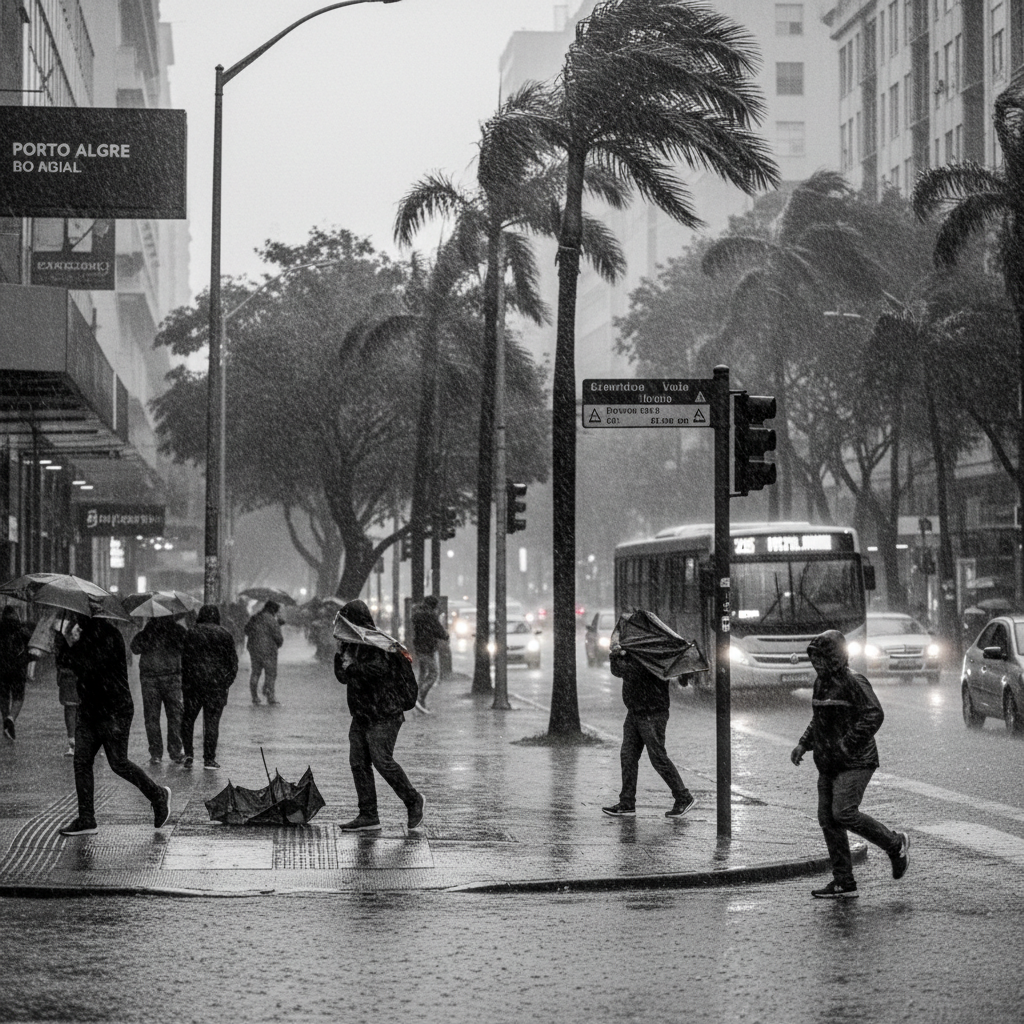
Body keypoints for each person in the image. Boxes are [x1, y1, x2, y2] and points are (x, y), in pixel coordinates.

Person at [791, 629, 910, 899]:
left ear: (834, 657)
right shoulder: (820, 683)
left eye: (821, 658)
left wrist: (847, 744)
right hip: (828, 762)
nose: (816, 663)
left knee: (843, 812)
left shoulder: (854, 681)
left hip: (856, 761)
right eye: (813, 658)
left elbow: (874, 714)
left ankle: (895, 844)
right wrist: (804, 743)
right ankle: (844, 882)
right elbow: (820, 719)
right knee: (827, 819)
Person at [54, 614, 170, 836]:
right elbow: (70, 665)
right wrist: (66, 644)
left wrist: (68, 645)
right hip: (91, 709)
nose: (75, 618)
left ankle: (158, 795)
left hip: (113, 709)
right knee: (82, 762)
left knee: (118, 763)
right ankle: (86, 818)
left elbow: (84, 665)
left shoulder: (105, 635)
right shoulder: (89, 636)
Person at [333, 599, 425, 833]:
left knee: (382, 760)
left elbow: (378, 670)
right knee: (358, 763)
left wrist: (352, 667)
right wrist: (340, 658)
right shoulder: (349, 645)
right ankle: (368, 815)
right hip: (362, 713)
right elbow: (343, 678)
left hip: (385, 712)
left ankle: (413, 800)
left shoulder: (376, 642)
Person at [602, 640, 695, 819]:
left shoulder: (653, 653)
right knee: (628, 756)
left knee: (658, 758)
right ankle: (627, 803)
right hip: (635, 712)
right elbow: (619, 671)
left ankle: (683, 797)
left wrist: (617, 655)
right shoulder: (636, 649)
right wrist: (618, 654)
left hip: (652, 713)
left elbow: (628, 671)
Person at [180, 604, 239, 770]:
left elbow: (184, 660)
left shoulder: (191, 633)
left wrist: (187, 680)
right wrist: (225, 682)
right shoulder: (225, 634)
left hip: (193, 686)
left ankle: (189, 753)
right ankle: (209, 758)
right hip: (216, 687)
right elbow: (233, 663)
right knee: (212, 722)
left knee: (188, 719)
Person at [130, 616, 187, 765]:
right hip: (172, 677)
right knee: (175, 716)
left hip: (150, 678)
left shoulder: (148, 631)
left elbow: (135, 648)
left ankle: (156, 753)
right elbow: (187, 648)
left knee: (151, 717)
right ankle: (175, 751)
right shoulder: (178, 631)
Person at [0, 606, 33, 740]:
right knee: (18, 697)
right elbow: (32, 646)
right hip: (18, 668)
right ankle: (11, 718)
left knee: (4, 696)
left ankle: (5, 721)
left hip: (2, 668)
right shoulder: (22, 630)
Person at [411, 595, 448, 713]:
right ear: (433, 606)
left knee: (423, 673)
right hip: (427, 648)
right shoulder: (430, 616)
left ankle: (420, 701)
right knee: (433, 673)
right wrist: (446, 635)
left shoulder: (418, 615)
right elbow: (439, 632)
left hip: (419, 647)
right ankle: (420, 697)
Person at [244, 600, 284, 705]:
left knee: (255, 672)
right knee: (270, 673)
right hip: (269, 650)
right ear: (273, 610)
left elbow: (246, 630)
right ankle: (270, 695)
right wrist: (277, 644)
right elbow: (278, 637)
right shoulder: (272, 620)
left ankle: (254, 697)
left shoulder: (255, 617)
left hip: (254, 649)